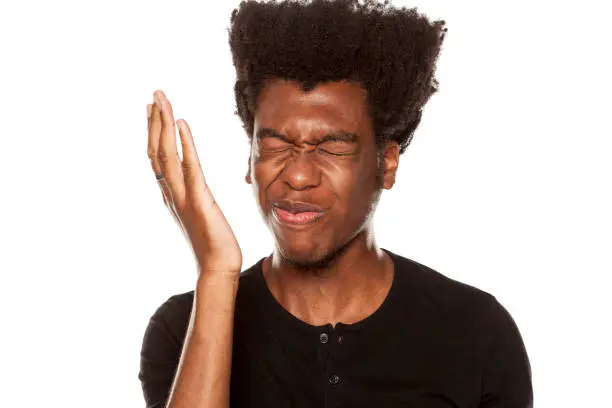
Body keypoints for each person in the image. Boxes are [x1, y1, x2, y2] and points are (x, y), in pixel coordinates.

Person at [139, 1, 533, 407]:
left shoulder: (475, 333)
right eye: (275, 145)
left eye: (331, 148)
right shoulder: (185, 328)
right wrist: (217, 274)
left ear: (386, 164)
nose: (298, 175)